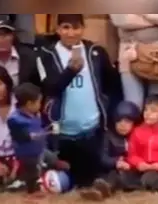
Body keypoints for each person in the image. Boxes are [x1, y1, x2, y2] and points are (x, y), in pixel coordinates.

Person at [37, 14, 119, 188]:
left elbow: (112, 84)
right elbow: (50, 87)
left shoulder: (95, 52)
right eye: (66, 27)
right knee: (63, 181)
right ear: (58, 30)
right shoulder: (46, 54)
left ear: (83, 28)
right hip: (62, 133)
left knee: (92, 177)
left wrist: (108, 111)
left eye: (76, 28)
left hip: (91, 130)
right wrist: (70, 71)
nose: (71, 33)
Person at [90, 95, 158, 196]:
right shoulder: (138, 131)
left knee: (149, 178)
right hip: (142, 170)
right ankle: (103, 189)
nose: (148, 114)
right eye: (146, 110)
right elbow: (132, 155)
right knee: (120, 173)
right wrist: (139, 163)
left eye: (153, 111)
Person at [109, 14, 158, 111]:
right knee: (133, 106)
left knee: (156, 105)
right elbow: (120, 21)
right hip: (129, 52)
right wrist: (156, 20)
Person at [7, 83, 64, 196]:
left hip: (40, 150)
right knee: (33, 172)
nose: (40, 105)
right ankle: (30, 188)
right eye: (39, 102)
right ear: (29, 104)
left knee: (53, 159)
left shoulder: (35, 115)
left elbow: (39, 130)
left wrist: (48, 128)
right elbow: (27, 136)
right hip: (28, 155)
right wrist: (47, 132)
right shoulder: (16, 120)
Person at [79, 102, 141, 201]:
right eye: (119, 121)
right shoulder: (109, 136)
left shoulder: (139, 136)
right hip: (113, 171)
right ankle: (97, 191)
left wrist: (129, 163)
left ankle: (103, 189)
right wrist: (116, 162)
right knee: (109, 175)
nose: (122, 125)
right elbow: (103, 158)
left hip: (131, 174)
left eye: (127, 121)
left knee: (114, 176)